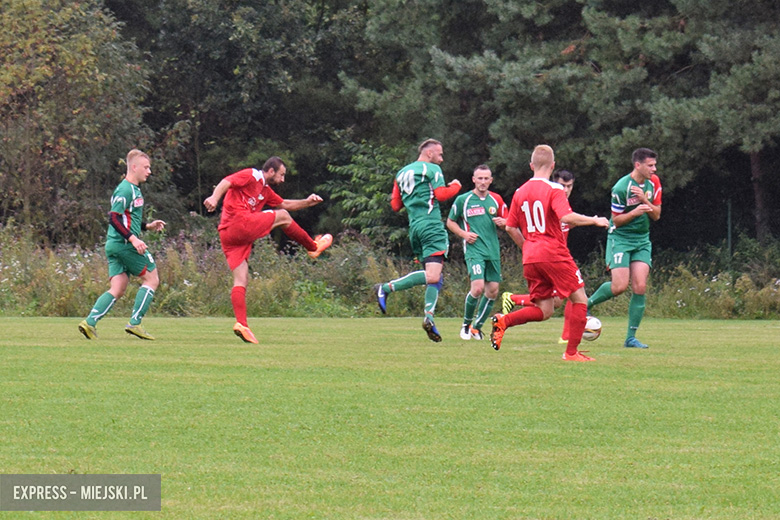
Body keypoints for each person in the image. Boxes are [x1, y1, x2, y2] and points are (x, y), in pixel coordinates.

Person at [490, 145, 609, 361]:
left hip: (531, 257)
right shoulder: (555, 190)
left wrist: (527, 246)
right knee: (580, 299)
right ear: (553, 165)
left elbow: (509, 226)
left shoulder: (519, 192)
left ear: (531, 165)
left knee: (544, 309)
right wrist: (594, 220)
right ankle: (571, 353)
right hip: (554, 252)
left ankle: (504, 321)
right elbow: (567, 217)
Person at [203, 156, 332, 344]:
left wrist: (307, 202)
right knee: (283, 217)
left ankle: (242, 324)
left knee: (241, 279)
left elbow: (285, 203)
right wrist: (214, 198)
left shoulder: (265, 190)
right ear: (270, 171)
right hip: (239, 224)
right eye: (281, 175)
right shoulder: (251, 175)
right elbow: (226, 181)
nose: (283, 179)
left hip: (228, 234)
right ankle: (313, 248)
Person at [374, 139, 462, 342]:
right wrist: (456, 186)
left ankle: (429, 318)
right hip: (431, 225)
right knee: (433, 275)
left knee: (435, 275)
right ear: (430, 154)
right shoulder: (431, 168)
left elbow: (395, 205)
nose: (441, 159)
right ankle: (386, 288)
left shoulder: (401, 173)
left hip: (415, 227)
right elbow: (441, 195)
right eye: (440, 154)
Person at [78, 149, 166, 340]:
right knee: (152, 278)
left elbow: (127, 219)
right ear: (134, 167)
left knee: (118, 288)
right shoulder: (126, 189)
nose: (149, 171)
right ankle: (135, 323)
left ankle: (89, 323)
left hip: (114, 244)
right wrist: (133, 239)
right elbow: (113, 217)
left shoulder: (134, 190)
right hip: (124, 244)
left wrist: (147, 226)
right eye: (146, 167)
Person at [587, 147, 662, 349]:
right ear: (638, 165)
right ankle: (587, 304)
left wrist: (645, 200)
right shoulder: (621, 188)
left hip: (642, 240)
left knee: (640, 286)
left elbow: (656, 215)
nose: (654, 169)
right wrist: (636, 212)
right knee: (619, 286)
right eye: (650, 165)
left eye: (655, 165)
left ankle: (630, 338)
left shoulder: (653, 183)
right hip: (620, 238)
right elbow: (617, 221)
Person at [500, 169, 576, 344]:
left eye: (569, 186)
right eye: (562, 185)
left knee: (554, 303)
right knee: (574, 293)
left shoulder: (564, 206)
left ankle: (512, 300)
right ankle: (567, 337)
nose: (565, 189)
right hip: (548, 258)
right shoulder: (549, 201)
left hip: (556, 257)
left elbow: (566, 224)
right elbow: (516, 225)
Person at [446, 164, 507, 341]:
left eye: (486, 178)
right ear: (473, 179)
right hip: (474, 250)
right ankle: (465, 325)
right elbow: (450, 222)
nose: (482, 182)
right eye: (479, 178)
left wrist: (504, 223)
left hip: (493, 250)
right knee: (478, 287)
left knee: (493, 291)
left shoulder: (496, 200)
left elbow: (509, 219)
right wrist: (464, 234)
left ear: (491, 180)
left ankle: (476, 327)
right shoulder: (463, 200)